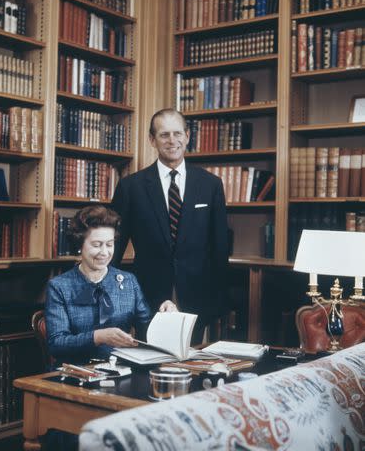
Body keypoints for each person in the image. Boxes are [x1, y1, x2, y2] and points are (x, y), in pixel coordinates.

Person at [111, 108, 229, 342]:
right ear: (152, 140)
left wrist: (216, 303)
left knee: (192, 364)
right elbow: (113, 246)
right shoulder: (130, 187)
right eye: (164, 135)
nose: (172, 140)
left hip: (197, 296)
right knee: (149, 361)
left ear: (187, 136)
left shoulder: (210, 185)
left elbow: (220, 248)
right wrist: (116, 299)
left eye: (177, 133)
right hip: (147, 295)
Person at [45, 205, 176, 365]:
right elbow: (57, 344)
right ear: (80, 244)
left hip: (121, 370)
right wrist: (98, 337)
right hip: (75, 373)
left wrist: (166, 317)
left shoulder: (128, 281)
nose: (105, 252)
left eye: (109, 244)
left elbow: (147, 330)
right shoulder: (59, 287)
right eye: (96, 244)